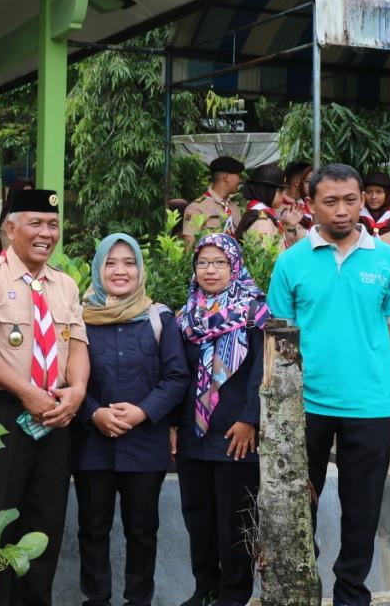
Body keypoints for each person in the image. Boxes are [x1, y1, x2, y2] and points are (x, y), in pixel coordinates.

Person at [267, 163, 390, 606]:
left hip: (370, 405)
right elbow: (277, 340)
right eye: (330, 201)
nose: (343, 210)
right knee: (298, 507)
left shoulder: (386, 259)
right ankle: (302, 588)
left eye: (351, 199)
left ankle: (352, 594)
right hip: (305, 407)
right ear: (310, 205)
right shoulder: (291, 262)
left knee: (362, 509)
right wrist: (274, 410)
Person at [0, 188, 90, 605]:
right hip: (1, 416)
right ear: (10, 228)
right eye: (36, 223)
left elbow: (78, 344)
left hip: (55, 416)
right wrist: (27, 392)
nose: (46, 233)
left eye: (52, 224)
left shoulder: (64, 284)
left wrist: (79, 391)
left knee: (43, 528)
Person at [73, 233, 188, 606]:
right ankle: (97, 600)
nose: (120, 271)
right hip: (93, 444)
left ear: (140, 269)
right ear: (98, 267)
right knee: (92, 529)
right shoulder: (78, 319)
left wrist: (143, 411)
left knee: (142, 530)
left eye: (129, 263)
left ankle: (139, 600)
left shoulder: (159, 318)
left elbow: (176, 377)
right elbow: (65, 375)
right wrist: (94, 413)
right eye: (111, 262)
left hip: (144, 444)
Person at [174, 233, 268, 606]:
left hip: (235, 433)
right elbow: (176, 374)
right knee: (198, 517)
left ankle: (233, 594)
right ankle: (205, 588)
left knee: (235, 520)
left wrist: (251, 419)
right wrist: (172, 426)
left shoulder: (255, 313)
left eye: (219, 263)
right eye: (202, 263)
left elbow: (264, 369)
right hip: (193, 435)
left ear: (235, 266)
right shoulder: (185, 317)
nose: (210, 270)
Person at [233, 164, 303, 250]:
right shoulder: (262, 222)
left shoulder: (259, 214)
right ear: (266, 191)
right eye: (280, 191)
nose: (283, 195)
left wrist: (290, 225)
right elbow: (264, 260)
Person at [183, 156, 245, 249]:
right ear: (226, 177)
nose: (240, 180)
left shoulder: (235, 209)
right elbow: (188, 248)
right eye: (238, 176)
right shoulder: (197, 208)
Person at [283, 161, 314, 230]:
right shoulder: (279, 206)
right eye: (309, 181)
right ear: (297, 181)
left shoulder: (306, 203)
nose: (314, 184)